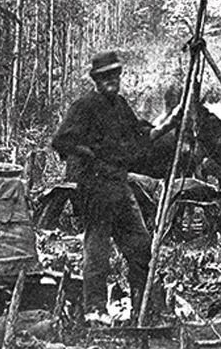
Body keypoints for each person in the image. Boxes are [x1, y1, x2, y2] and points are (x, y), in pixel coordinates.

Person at [52, 51, 183, 324]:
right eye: (104, 77)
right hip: (95, 188)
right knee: (98, 250)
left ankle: (142, 308)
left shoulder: (120, 106)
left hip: (120, 186)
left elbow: (141, 136)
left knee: (140, 246)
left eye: (114, 75)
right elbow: (61, 140)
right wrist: (87, 154)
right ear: (96, 80)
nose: (111, 80)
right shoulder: (84, 106)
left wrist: (170, 122)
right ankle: (95, 310)